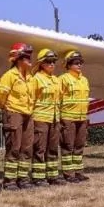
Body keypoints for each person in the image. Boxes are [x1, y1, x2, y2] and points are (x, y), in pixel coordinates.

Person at [0, 43, 35, 190]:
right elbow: (0, 97)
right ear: (18, 59)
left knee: (26, 148)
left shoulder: (30, 78)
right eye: (27, 56)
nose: (30, 59)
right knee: (14, 148)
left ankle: (23, 179)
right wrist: (8, 110)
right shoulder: (9, 76)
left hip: (28, 114)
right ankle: (10, 181)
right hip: (14, 114)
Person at [29, 49, 67, 186]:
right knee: (40, 148)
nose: (51, 64)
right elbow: (31, 99)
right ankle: (38, 177)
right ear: (41, 63)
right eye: (48, 61)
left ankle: (52, 176)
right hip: (41, 118)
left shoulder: (56, 80)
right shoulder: (36, 79)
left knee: (52, 148)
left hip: (54, 118)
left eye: (53, 62)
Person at [59, 50, 90, 183]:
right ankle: (68, 174)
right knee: (68, 146)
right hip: (68, 118)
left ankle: (78, 172)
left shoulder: (84, 80)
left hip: (82, 118)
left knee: (79, 146)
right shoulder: (63, 79)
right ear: (68, 64)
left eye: (80, 62)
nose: (79, 65)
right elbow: (57, 99)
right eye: (75, 63)